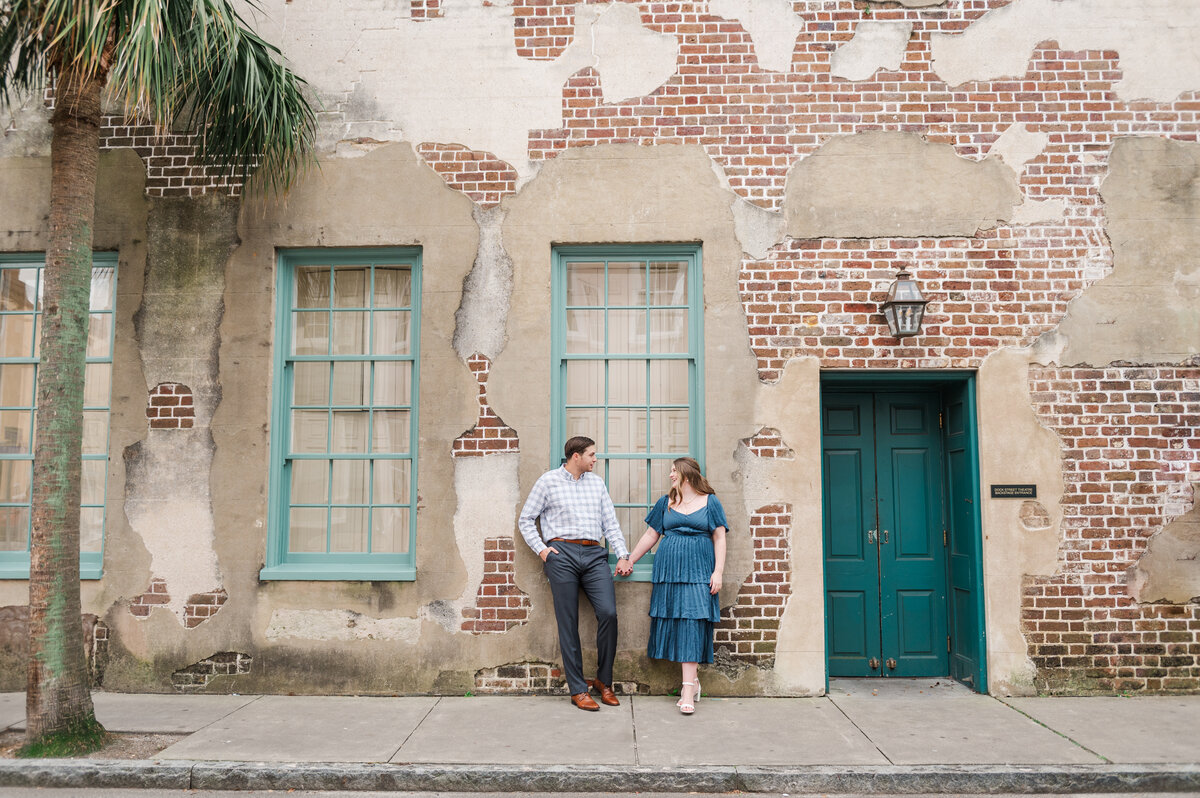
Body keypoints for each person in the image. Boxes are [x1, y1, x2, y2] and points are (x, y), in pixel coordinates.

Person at [519, 436, 632, 712]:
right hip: (562, 555)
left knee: (608, 613)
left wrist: (623, 554)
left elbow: (610, 523)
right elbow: (526, 519)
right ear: (575, 456)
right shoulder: (548, 482)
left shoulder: (597, 483)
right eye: (592, 455)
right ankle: (578, 689)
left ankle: (603, 682)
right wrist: (543, 551)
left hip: (594, 555)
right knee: (567, 622)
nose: (595, 459)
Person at [617, 457, 727, 715]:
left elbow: (719, 537)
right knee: (678, 624)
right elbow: (650, 535)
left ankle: (687, 689)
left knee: (692, 623)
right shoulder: (665, 503)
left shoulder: (711, 502)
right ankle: (692, 682)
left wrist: (718, 572)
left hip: (699, 571)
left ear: (687, 475)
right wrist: (629, 560)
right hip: (670, 573)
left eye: (673, 471)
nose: (670, 476)